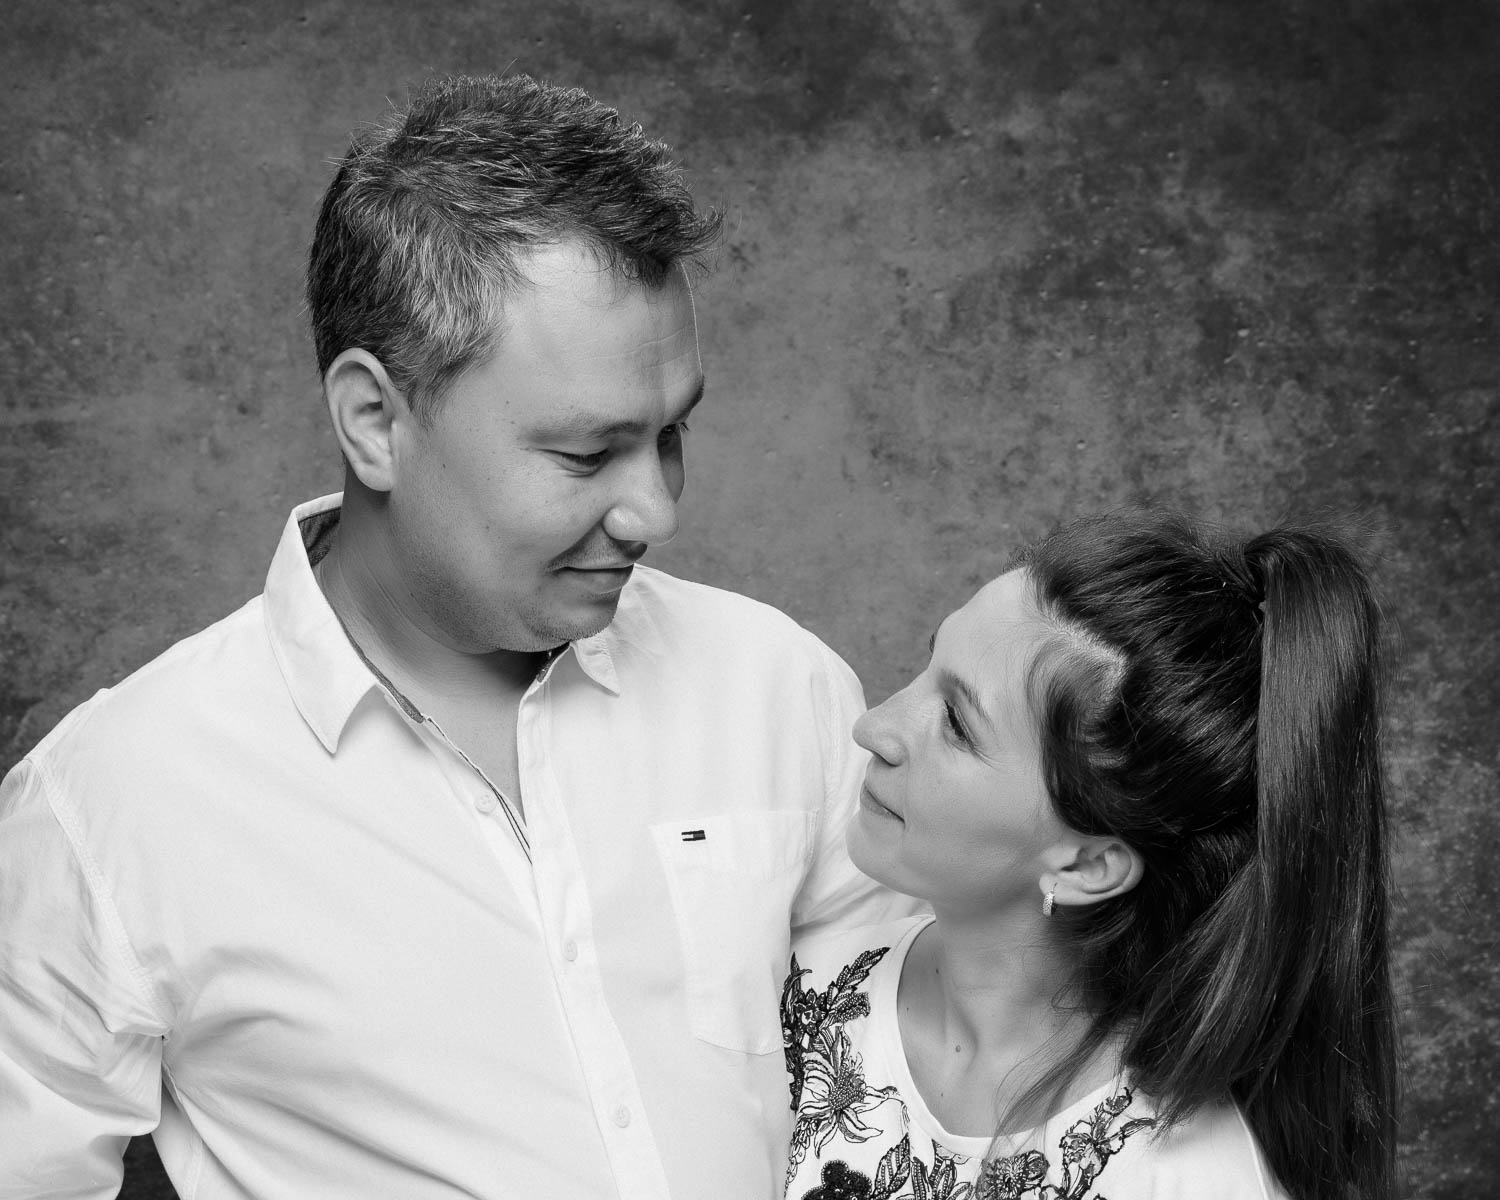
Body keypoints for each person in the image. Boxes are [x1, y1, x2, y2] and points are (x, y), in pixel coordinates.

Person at [0, 74, 913, 1199]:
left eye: (672, 435)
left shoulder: (784, 689)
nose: (655, 512)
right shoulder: (110, 806)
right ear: (375, 422)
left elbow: (906, 1104)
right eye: (587, 455)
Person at [780, 509, 1398, 1200]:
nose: (874, 727)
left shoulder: (1187, 1178)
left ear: (1083, 866)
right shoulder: (795, 987)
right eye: (930, 665)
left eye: (956, 723)